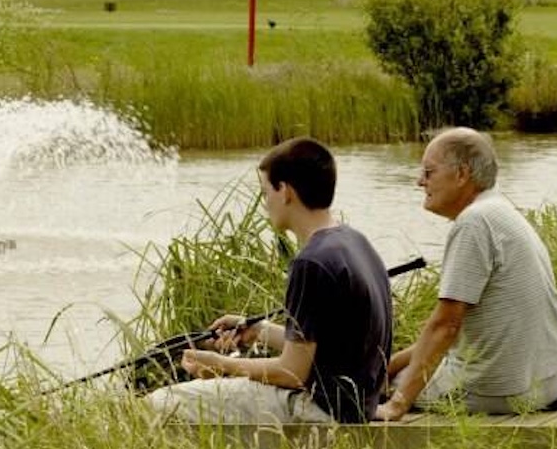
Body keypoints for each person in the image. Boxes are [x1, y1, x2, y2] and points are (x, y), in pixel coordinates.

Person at [146, 136, 393, 424]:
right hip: (357, 404)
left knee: (160, 403)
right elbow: (324, 346)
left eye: (266, 193)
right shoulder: (353, 241)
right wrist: (258, 330)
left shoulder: (311, 263)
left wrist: (222, 365)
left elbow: (292, 371)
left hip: (323, 409)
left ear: (285, 191)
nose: (265, 204)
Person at [376, 127, 557, 421]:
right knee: (394, 372)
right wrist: (389, 364)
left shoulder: (473, 223)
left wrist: (397, 403)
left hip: (498, 392)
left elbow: (445, 327)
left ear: (462, 174)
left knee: (374, 387)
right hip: (546, 386)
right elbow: (454, 330)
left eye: (429, 172)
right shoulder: (500, 210)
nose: (419, 181)